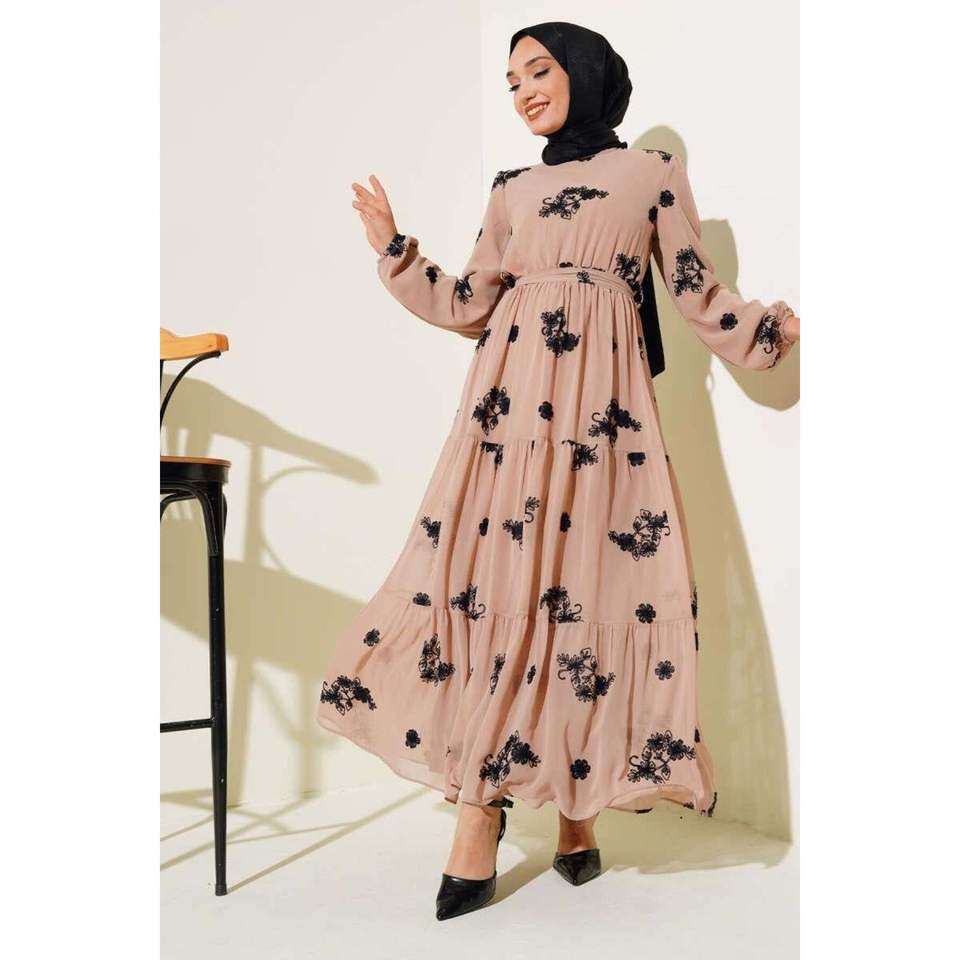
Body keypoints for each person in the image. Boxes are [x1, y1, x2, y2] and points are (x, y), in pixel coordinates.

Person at [323, 20, 800, 921]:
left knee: (583, 592)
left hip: (603, 417)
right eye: (511, 82)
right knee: (498, 588)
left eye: (538, 70)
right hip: (508, 417)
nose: (524, 92)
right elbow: (470, 303)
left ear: (584, 70)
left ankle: (575, 809)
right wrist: (395, 247)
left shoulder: (650, 172)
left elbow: (695, 288)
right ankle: (481, 808)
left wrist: (772, 330)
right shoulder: (512, 189)